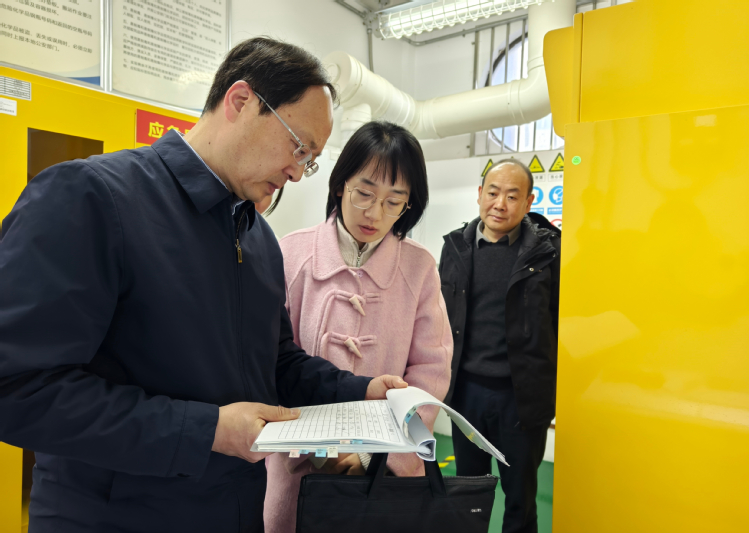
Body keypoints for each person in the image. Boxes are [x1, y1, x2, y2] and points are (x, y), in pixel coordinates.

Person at [0, 37, 406, 533]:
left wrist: (361, 392)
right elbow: (17, 387)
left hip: (232, 512)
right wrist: (206, 430)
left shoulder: (256, 238)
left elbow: (276, 362)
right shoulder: (93, 197)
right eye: (298, 147)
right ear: (241, 101)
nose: (299, 173)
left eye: (311, 160)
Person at [263, 121, 453, 533]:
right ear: (340, 185)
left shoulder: (419, 267)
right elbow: (271, 358)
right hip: (296, 462)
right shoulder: (291, 253)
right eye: (364, 193)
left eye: (394, 201)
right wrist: (310, 447)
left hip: (380, 471)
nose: (375, 213)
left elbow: (430, 372)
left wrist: (375, 455)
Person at [438, 160, 561, 533]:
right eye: (492, 193)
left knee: (520, 499)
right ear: (480, 195)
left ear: (528, 202)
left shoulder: (550, 253)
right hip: (466, 395)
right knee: (469, 493)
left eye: (512, 196)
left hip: (520, 398)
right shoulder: (454, 247)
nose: (499, 204)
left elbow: (562, 323)